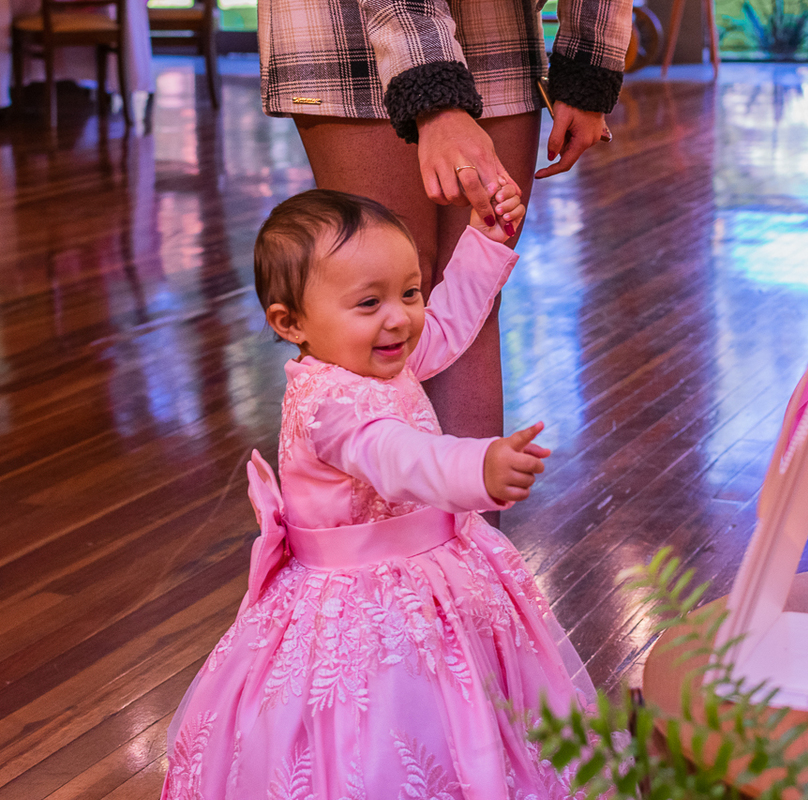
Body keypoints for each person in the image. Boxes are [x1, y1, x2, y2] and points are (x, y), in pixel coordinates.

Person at [160, 189, 595, 799]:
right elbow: (397, 458)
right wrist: (477, 467)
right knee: (383, 726)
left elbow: (444, 326)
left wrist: (484, 245)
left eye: (408, 292)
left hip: (434, 577)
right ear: (292, 323)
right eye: (370, 302)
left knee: (468, 707)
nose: (400, 318)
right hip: (366, 603)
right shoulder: (330, 407)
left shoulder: (380, 356)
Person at [260, 0, 633, 445]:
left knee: (473, 304)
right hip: (349, 23)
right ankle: (394, 512)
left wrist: (589, 64)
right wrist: (434, 97)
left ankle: (466, 514)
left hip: (496, 23)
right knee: (379, 293)